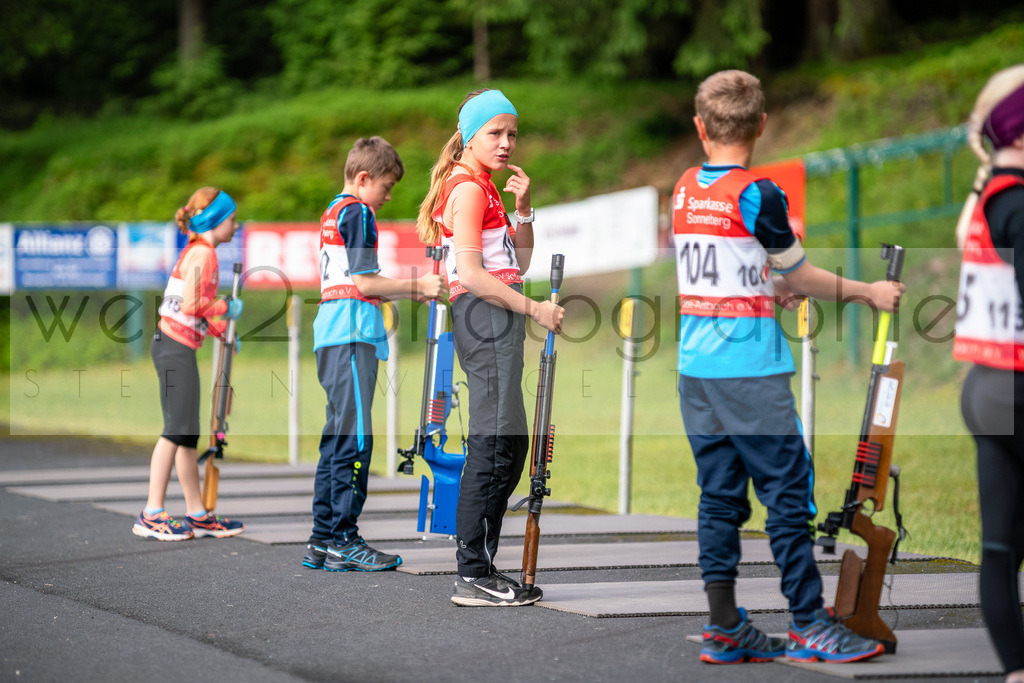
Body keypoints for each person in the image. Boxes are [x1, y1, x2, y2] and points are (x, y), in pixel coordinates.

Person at [671, 70, 905, 664]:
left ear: (700, 127)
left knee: (719, 498)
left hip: (696, 370)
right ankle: (808, 621)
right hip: (748, 369)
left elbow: (729, 266)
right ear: (762, 125)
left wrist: (764, 285)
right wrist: (868, 293)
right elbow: (797, 274)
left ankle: (725, 626)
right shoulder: (759, 193)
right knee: (787, 492)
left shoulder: (682, 187)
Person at [417, 89, 564, 606]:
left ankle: (482, 563)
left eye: (512, 134)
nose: (506, 144)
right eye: (495, 134)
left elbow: (518, 265)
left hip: (496, 312)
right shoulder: (469, 188)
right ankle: (472, 571)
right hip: (485, 313)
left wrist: (523, 210)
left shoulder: (487, 186)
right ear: (470, 136)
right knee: (493, 440)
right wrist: (536, 311)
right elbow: (474, 276)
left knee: (512, 441)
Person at [302, 136, 447, 572]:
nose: (386, 198)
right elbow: (365, 282)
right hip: (349, 337)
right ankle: (344, 539)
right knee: (357, 440)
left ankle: (322, 540)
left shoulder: (334, 208)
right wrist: (418, 286)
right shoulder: (359, 212)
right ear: (363, 179)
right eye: (385, 187)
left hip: (333, 336)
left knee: (337, 440)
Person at [954, 65, 1024, 683]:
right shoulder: (1019, 203)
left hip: (985, 385)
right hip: (1015, 387)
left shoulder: (987, 197)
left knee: (1001, 545)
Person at [135, 187, 246, 541]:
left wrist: (219, 330)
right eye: (232, 218)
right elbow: (192, 304)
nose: (236, 224)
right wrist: (226, 308)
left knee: (186, 434)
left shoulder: (200, 252)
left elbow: (192, 310)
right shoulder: (205, 254)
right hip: (173, 348)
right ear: (216, 220)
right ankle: (151, 512)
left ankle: (197, 513)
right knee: (174, 431)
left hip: (177, 346)